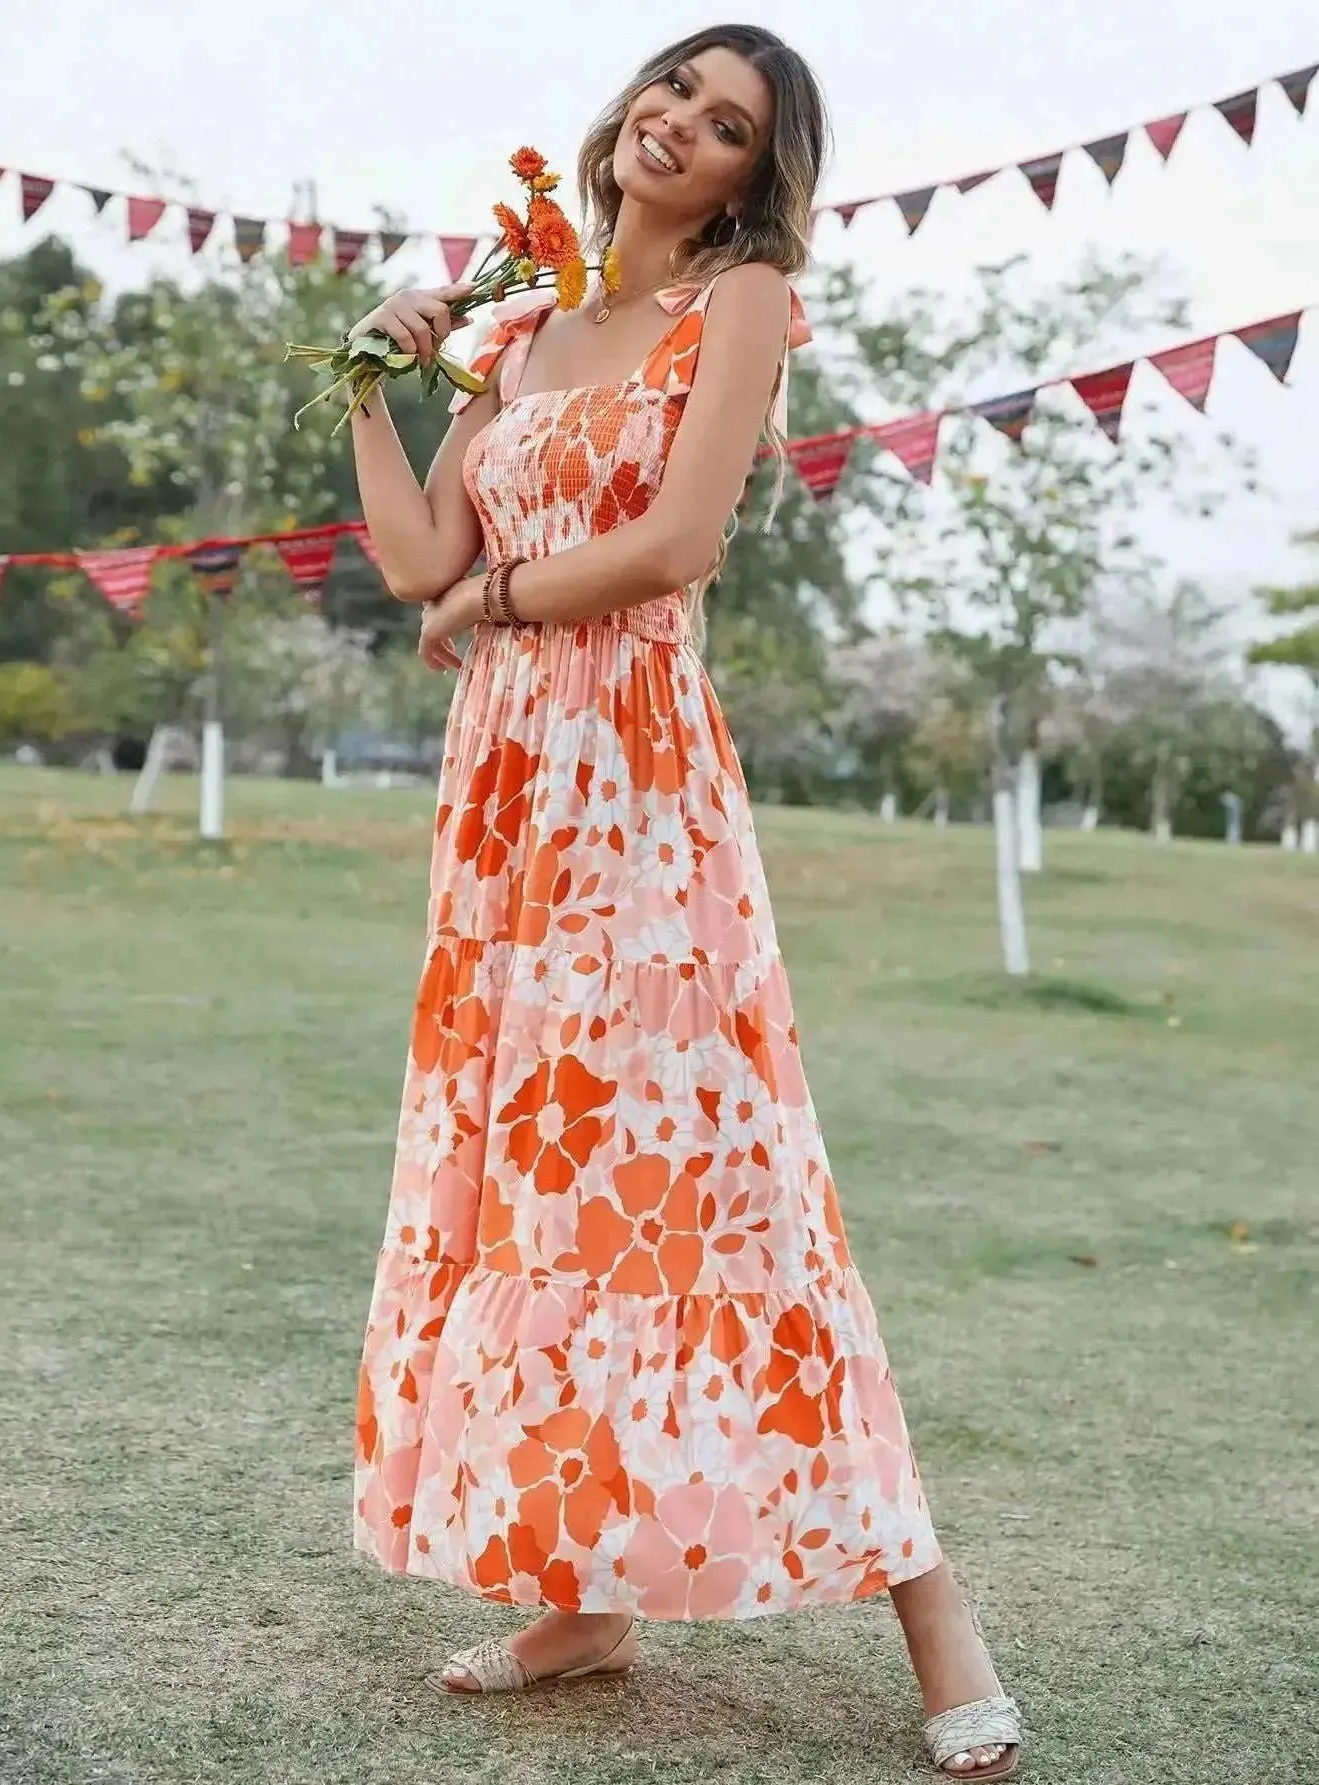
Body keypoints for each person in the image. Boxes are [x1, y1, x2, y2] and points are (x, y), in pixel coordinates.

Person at [346, 24, 1023, 1781]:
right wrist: (367, 379)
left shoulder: (744, 308)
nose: (682, 129)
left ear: (751, 177)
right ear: (628, 109)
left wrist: (491, 600)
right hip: (502, 804)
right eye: (675, 92)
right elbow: (416, 561)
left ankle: (935, 1606)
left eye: (728, 127)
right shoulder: (524, 327)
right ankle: (585, 1597)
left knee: (722, 1178)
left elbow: (675, 547)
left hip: (637, 789)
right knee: (543, 1182)